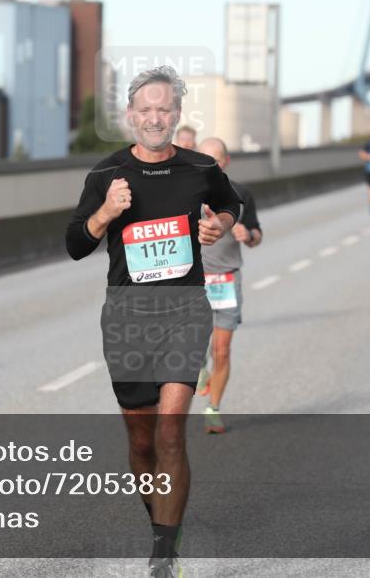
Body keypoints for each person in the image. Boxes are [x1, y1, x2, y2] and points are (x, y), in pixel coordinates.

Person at [65, 66, 240, 578]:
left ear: (177, 114)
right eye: (146, 109)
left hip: (185, 311)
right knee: (141, 443)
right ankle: (161, 523)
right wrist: (105, 213)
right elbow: (75, 244)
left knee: (169, 432)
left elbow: (230, 202)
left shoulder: (201, 168)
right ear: (130, 115)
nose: (155, 118)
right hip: (126, 317)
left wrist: (219, 223)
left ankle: (164, 555)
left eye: (164, 109)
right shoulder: (105, 175)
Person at [195, 137, 263, 434]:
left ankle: (213, 409)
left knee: (221, 350)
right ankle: (199, 367)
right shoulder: (184, 194)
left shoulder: (240, 194)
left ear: (226, 162)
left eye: (215, 161)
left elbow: (257, 236)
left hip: (226, 279)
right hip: (193, 282)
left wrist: (247, 235)